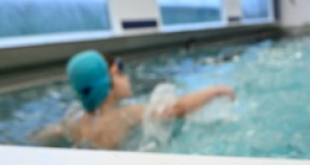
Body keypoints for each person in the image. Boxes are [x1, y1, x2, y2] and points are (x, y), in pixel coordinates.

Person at [35, 50, 234, 149]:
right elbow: (177, 109)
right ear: (109, 80)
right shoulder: (127, 114)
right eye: (121, 72)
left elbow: (44, 135)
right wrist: (215, 91)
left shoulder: (73, 122)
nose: (127, 76)